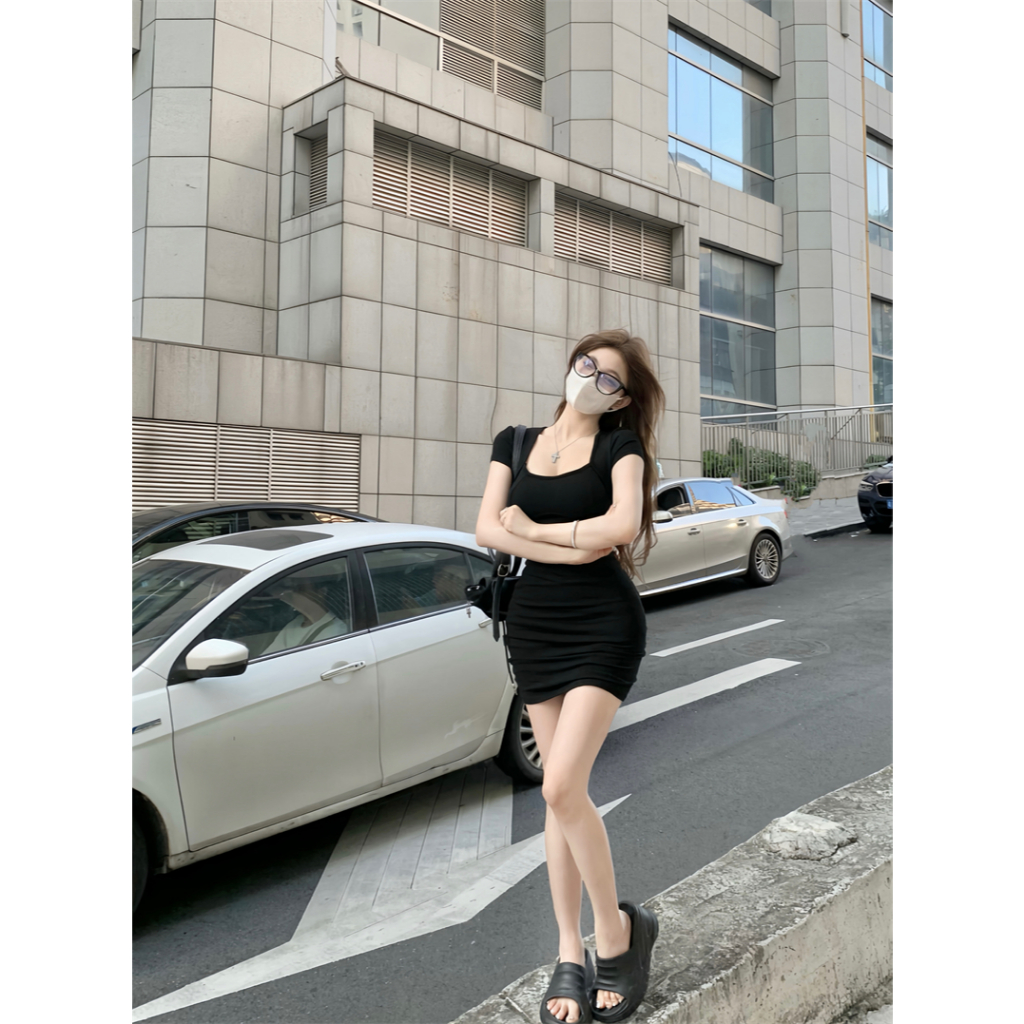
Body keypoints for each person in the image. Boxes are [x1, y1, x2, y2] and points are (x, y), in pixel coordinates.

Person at [475, 329, 666, 1024]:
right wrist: (569, 545)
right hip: (535, 626)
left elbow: (621, 527)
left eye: (608, 378)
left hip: (603, 625)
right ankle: (568, 950)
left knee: (559, 784)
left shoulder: (622, 448)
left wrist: (536, 531)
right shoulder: (515, 442)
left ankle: (616, 932)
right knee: (561, 800)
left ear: (621, 399)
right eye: (587, 365)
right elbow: (486, 529)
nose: (591, 380)